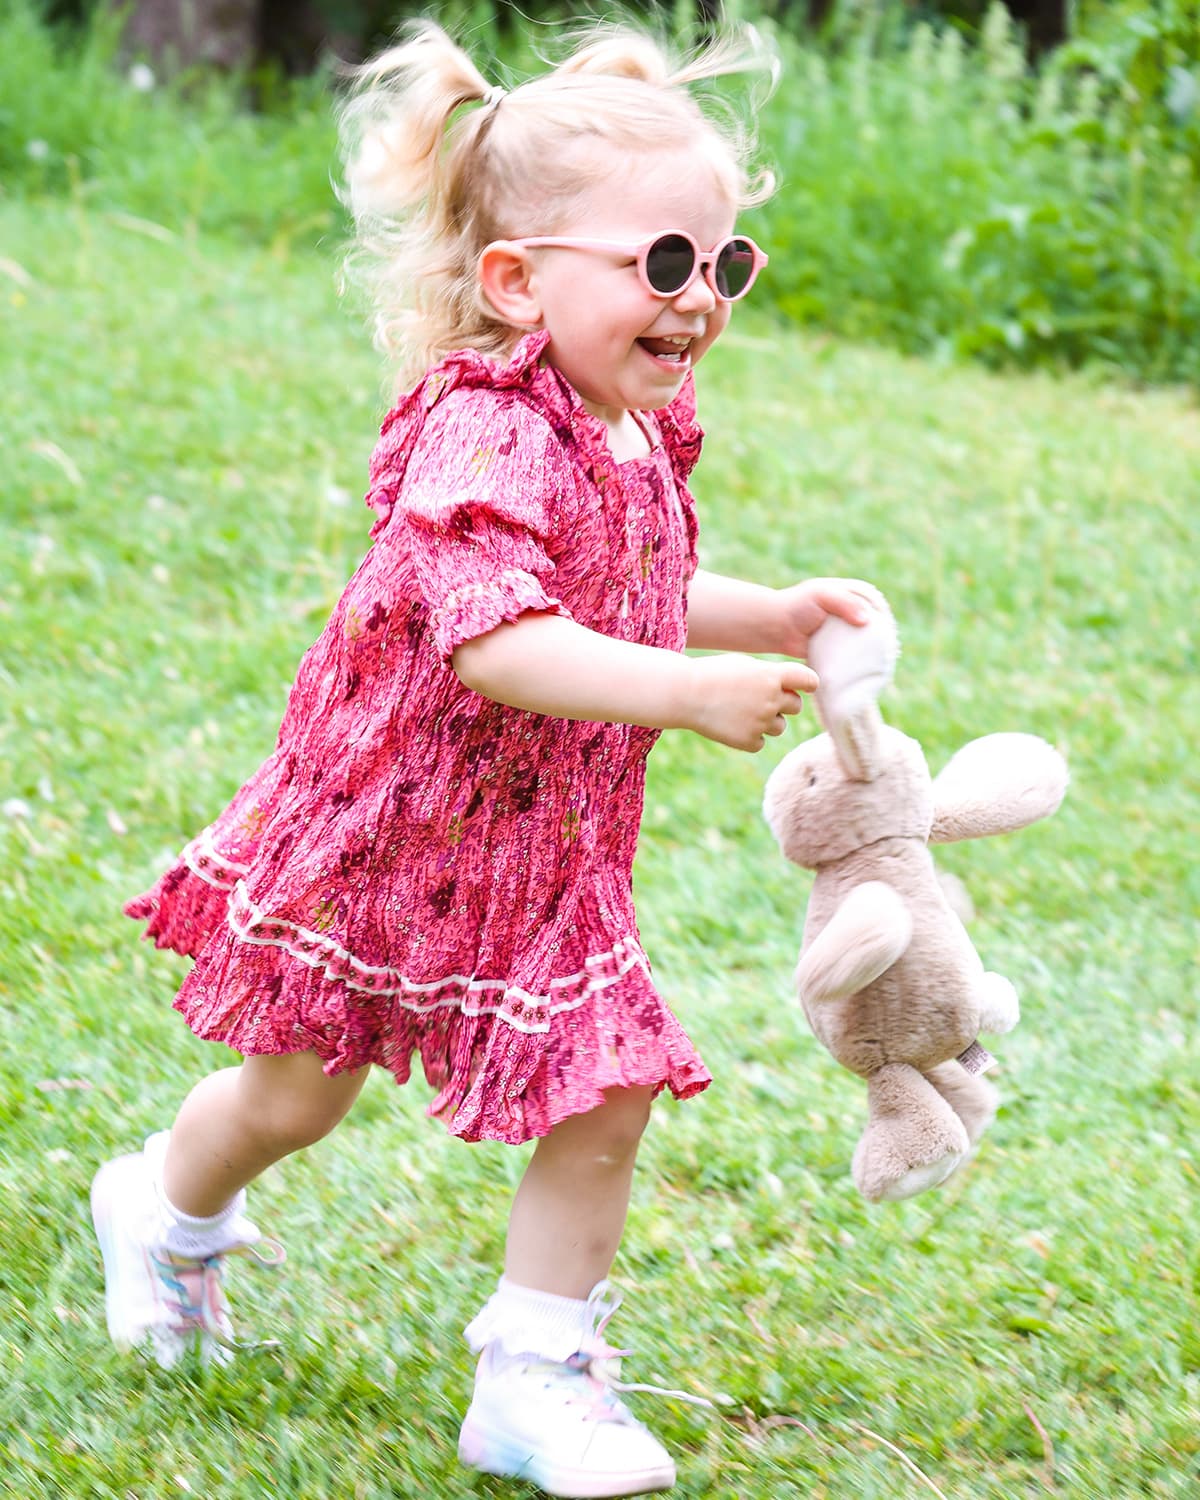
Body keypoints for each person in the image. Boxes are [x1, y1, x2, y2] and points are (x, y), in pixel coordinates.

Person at [91, 19, 880, 1498]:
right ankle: (162, 1210)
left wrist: (763, 609)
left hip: (541, 847)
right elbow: (498, 641)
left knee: (607, 1086)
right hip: (400, 824)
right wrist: (681, 691)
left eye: (725, 266)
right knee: (293, 1096)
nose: (699, 299)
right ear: (517, 281)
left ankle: (534, 1375)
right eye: (661, 264)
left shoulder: (633, 428)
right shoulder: (483, 430)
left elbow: (622, 581)